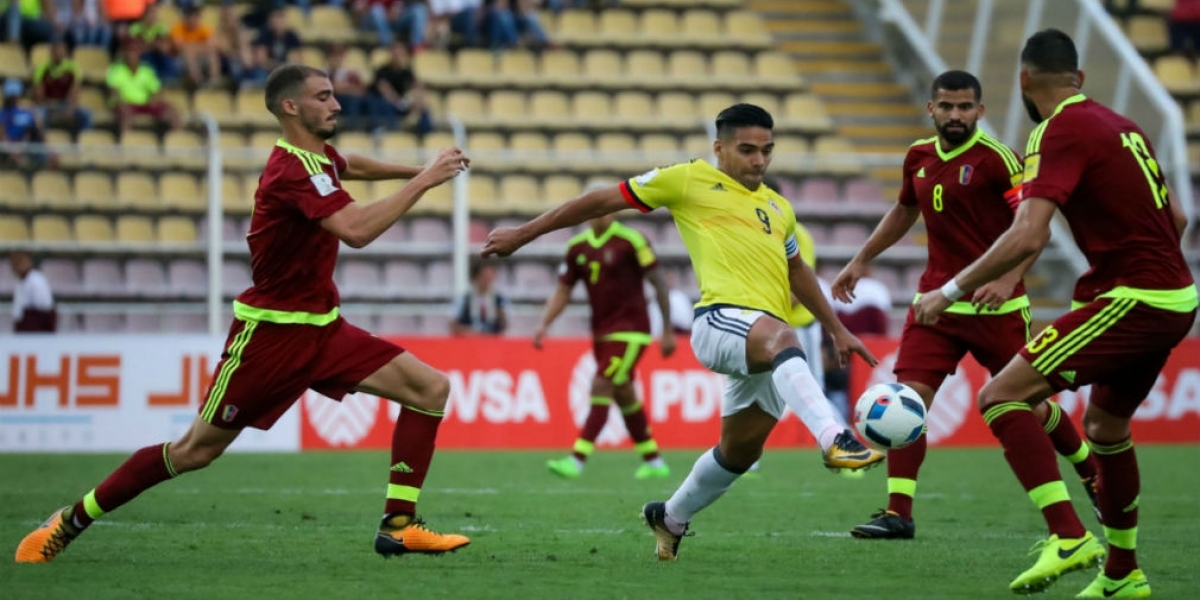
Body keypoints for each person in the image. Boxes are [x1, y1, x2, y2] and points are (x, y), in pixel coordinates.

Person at [15, 64, 474, 564]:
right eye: (323, 97)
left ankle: (399, 526)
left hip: (322, 328)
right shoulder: (292, 170)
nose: (337, 105)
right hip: (270, 339)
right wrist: (426, 180)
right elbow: (357, 230)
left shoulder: (317, 157)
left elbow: (349, 164)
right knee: (194, 452)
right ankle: (70, 520)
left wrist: (414, 170)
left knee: (430, 389)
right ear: (290, 107)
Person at [483, 103, 885, 561]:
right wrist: (524, 233)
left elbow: (797, 271)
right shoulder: (689, 179)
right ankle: (835, 437)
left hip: (761, 342)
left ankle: (670, 517)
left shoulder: (779, 208)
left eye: (767, 151)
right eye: (747, 150)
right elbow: (598, 201)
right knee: (783, 338)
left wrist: (836, 329)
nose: (759, 160)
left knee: (738, 453)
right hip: (721, 321)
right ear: (719, 148)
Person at [913, 30, 1197, 597]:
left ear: (1023, 81)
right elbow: (1181, 219)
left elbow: (1027, 232)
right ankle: (1123, 574)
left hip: (1134, 299)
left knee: (1000, 395)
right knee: (1104, 428)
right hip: (1173, 297)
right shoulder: (1123, 126)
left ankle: (1069, 537)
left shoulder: (1056, 130)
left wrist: (949, 290)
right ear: (1079, 78)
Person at [835, 70, 1099, 541]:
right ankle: (899, 513)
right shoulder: (917, 156)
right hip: (934, 306)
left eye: (964, 107)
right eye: (946, 106)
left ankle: (1089, 469)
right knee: (907, 401)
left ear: (980, 111)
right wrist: (861, 259)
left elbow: (1033, 226)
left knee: (1030, 406)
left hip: (996, 310)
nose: (955, 114)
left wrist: (1009, 277)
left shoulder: (1000, 160)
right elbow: (904, 210)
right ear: (931, 109)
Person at [535, 211, 676, 480]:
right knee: (623, 391)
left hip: (632, 330)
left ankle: (576, 460)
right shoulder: (577, 247)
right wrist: (544, 324)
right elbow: (564, 290)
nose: (600, 213)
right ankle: (654, 461)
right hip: (601, 331)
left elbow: (657, 281)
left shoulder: (632, 240)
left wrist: (667, 329)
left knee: (602, 384)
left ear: (613, 211)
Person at [106, 40, 181, 133]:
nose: (132, 54)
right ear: (125, 53)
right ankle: (126, 141)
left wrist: (153, 100)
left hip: (145, 104)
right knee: (126, 114)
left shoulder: (146, 70)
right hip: (126, 104)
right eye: (130, 51)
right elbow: (114, 91)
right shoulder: (117, 70)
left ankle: (175, 141)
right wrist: (121, 101)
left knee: (171, 112)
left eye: (135, 51)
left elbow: (156, 90)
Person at [32, 39, 93, 134]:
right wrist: (47, 105)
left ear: (65, 52)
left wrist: (71, 108)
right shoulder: (42, 68)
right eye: (56, 50)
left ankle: (81, 142)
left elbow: (75, 91)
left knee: (87, 114)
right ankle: (44, 141)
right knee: (39, 114)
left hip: (65, 104)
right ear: (51, 52)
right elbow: (39, 93)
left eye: (61, 50)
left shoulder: (72, 67)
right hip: (48, 105)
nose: (58, 53)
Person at [450, 260, 507, 335]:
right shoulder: (464, 298)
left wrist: (500, 312)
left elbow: (504, 326)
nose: (488, 281)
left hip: (492, 343)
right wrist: (469, 332)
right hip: (469, 343)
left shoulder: (499, 299)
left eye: (490, 277)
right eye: (484, 277)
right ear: (475, 277)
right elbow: (453, 325)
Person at [9, 251, 57, 332]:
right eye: (14, 263)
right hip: (23, 323)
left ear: (28, 262)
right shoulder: (19, 282)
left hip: (35, 323)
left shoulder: (36, 279)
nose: (17, 266)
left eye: (20, 262)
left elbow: (44, 307)